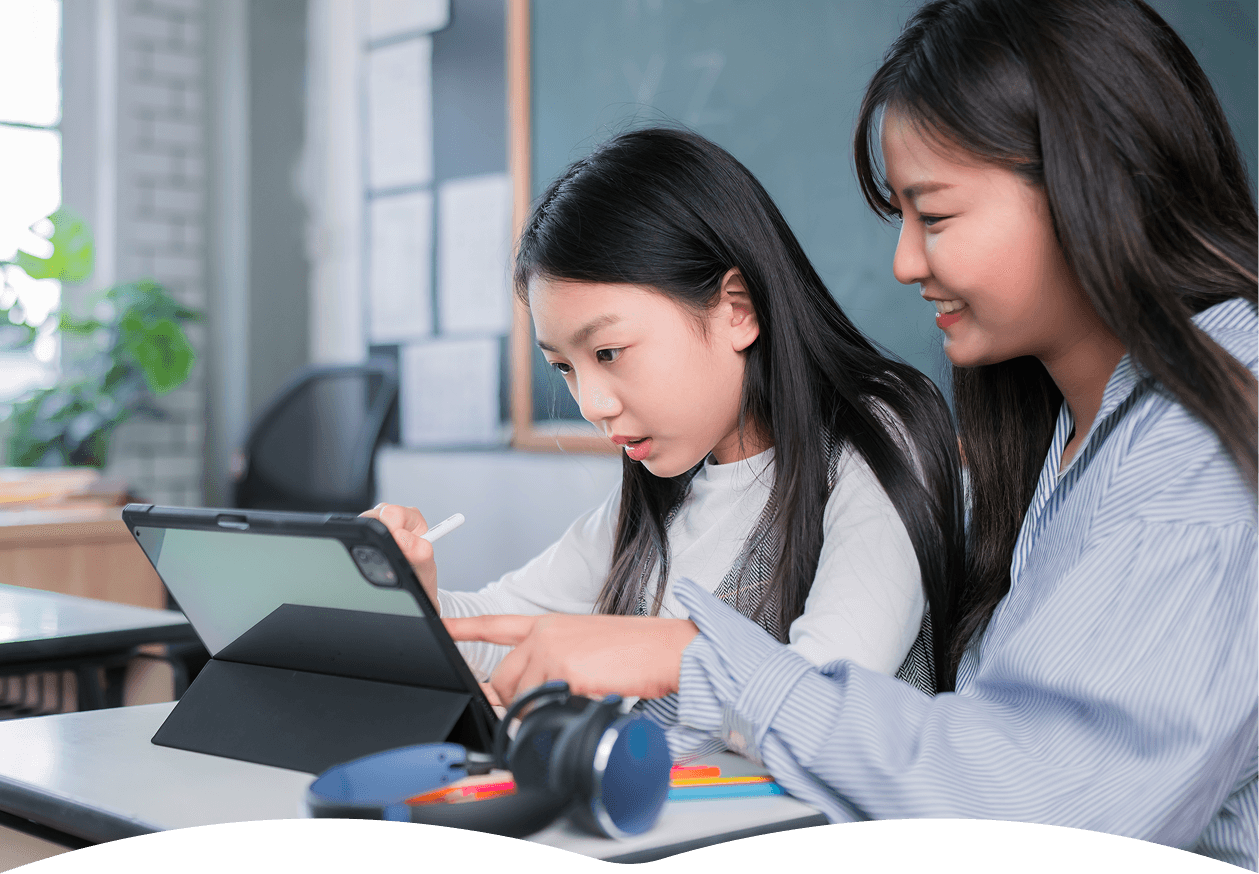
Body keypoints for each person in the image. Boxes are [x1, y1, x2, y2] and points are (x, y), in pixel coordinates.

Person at [445, 0, 1259, 866]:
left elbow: (1036, 806)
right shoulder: (1069, 434)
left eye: (934, 216)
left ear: (1087, 180)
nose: (905, 262)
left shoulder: (1199, 449)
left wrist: (691, 662)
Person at [368, 127, 966, 714]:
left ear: (737, 310)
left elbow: (830, 696)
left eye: (607, 353)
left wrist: (659, 654)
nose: (591, 404)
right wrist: (414, 598)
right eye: (564, 368)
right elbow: (502, 638)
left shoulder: (875, 438)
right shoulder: (657, 491)